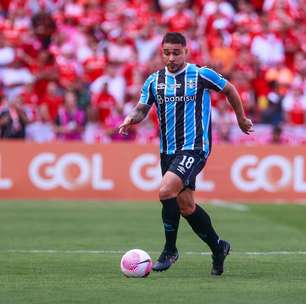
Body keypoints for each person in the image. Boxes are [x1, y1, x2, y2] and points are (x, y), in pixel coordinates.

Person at [118, 32, 253, 276]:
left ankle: (170, 250)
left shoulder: (201, 74)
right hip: (167, 151)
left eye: (176, 52)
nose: (171, 57)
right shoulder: (154, 81)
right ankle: (218, 246)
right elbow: (141, 109)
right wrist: (130, 119)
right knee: (186, 206)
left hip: (195, 146)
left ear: (186, 52)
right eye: (167, 52)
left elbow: (230, 89)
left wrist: (241, 119)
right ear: (162, 52)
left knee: (165, 190)